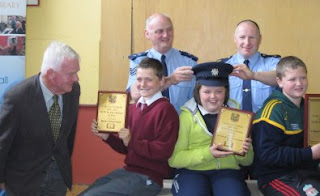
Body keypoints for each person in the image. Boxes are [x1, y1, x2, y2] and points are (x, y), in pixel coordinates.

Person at [80, 57, 179, 196]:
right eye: (139, 79)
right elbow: (126, 148)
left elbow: (164, 152)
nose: (142, 84)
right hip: (129, 171)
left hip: (150, 178)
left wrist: (131, 141)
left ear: (162, 81)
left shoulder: (166, 110)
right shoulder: (133, 109)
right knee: (86, 193)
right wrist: (107, 137)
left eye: (148, 79)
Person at [0, 41, 81, 196]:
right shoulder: (17, 97)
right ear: (50, 73)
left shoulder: (73, 91)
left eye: (77, 72)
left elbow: (68, 135)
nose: (76, 78)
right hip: (23, 182)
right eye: (71, 74)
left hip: (57, 178)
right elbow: (3, 142)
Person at [169, 62, 253, 196]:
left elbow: (248, 161)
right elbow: (175, 159)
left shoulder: (237, 115)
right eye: (207, 91)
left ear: (226, 92)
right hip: (192, 171)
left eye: (219, 91)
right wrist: (209, 154)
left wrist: (244, 151)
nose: (213, 97)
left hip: (227, 171)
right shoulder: (186, 116)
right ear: (198, 92)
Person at [252, 56, 320, 195]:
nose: (299, 83)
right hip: (277, 176)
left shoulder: (311, 106)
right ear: (279, 81)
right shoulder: (272, 111)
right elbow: (268, 155)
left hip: (307, 172)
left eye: (303, 78)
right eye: (292, 79)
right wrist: (310, 154)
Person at [126, 13, 198, 113]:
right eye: (159, 31)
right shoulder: (138, 61)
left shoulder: (189, 62)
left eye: (169, 30)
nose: (166, 35)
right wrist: (170, 80)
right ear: (147, 34)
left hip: (181, 124)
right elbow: (135, 95)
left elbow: (197, 98)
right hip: (150, 123)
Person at [221, 19, 281, 113]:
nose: (247, 42)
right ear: (234, 38)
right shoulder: (222, 67)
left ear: (260, 39)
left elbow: (282, 78)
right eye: (242, 37)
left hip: (264, 125)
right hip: (232, 125)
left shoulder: (273, 63)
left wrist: (254, 75)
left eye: (252, 37)